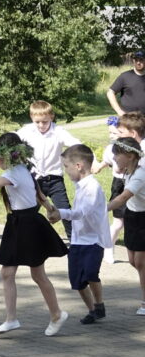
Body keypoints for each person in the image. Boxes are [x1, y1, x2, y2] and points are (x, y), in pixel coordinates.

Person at [0, 132, 68, 336]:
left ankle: (56, 314)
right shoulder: (22, 170)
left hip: (28, 225)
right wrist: (49, 208)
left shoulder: (14, 173)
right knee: (7, 273)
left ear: (9, 155)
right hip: (18, 223)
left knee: (38, 275)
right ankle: (11, 319)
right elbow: (39, 194)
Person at [45, 144, 110, 324]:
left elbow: (82, 212)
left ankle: (99, 305)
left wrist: (60, 213)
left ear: (79, 166)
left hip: (94, 240)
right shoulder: (80, 184)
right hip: (78, 240)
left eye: (66, 166)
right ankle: (92, 310)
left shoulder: (93, 187)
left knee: (90, 273)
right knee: (77, 280)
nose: (65, 170)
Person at [16, 100, 80, 239]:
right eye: (37, 122)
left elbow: (76, 144)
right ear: (31, 117)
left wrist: (92, 161)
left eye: (44, 122)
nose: (41, 125)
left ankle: (75, 240)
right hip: (33, 179)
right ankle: (22, 238)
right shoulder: (26, 131)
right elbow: (10, 141)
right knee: (28, 211)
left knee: (64, 209)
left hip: (54, 179)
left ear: (51, 116)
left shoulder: (58, 131)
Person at [105, 137, 145, 314]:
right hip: (132, 216)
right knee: (133, 261)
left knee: (141, 263)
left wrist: (100, 210)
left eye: (117, 154)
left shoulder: (140, 175)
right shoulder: (128, 171)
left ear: (129, 156)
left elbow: (123, 197)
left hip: (143, 218)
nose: (114, 158)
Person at [91, 117, 125, 263]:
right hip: (120, 185)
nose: (111, 136)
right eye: (109, 133)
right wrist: (97, 166)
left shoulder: (136, 146)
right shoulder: (111, 149)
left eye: (114, 133)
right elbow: (107, 162)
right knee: (119, 223)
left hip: (137, 184)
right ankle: (108, 248)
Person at [106, 50, 145, 116]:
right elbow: (110, 93)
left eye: (141, 60)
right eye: (136, 60)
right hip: (128, 119)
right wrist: (119, 111)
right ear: (133, 61)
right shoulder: (125, 76)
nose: (138, 62)